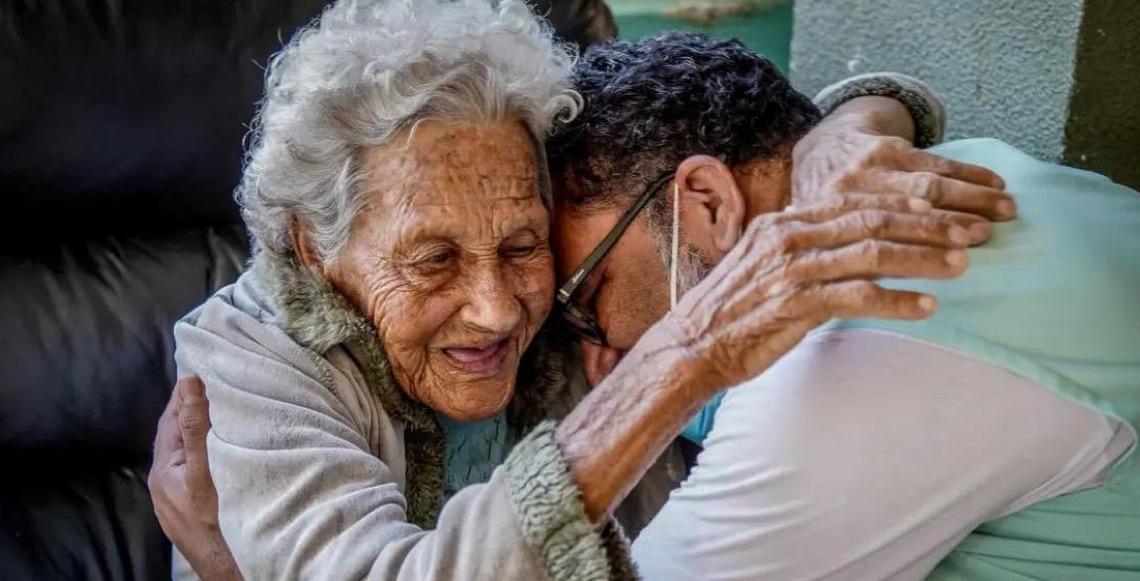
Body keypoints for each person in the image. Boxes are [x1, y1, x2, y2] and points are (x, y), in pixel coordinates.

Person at [149, 1, 994, 579]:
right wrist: (683, 356)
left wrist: (853, 122)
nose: (498, 306)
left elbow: (740, 144)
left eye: (522, 244)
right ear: (313, 241)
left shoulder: (572, 280)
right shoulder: (248, 364)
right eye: (433, 260)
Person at [544, 32, 1140, 579]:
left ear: (709, 203)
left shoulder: (851, 359)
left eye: (586, 299)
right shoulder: (973, 169)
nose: (597, 351)